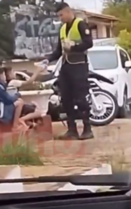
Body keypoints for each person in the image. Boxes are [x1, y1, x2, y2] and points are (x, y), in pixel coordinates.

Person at [43, 2, 94, 140]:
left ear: (67, 11)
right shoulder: (62, 29)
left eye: (61, 15)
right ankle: (72, 129)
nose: (60, 18)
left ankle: (87, 128)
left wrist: (74, 46)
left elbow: (89, 42)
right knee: (66, 97)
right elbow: (59, 50)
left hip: (79, 65)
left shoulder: (80, 24)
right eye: (58, 16)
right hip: (66, 65)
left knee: (81, 97)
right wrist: (48, 59)